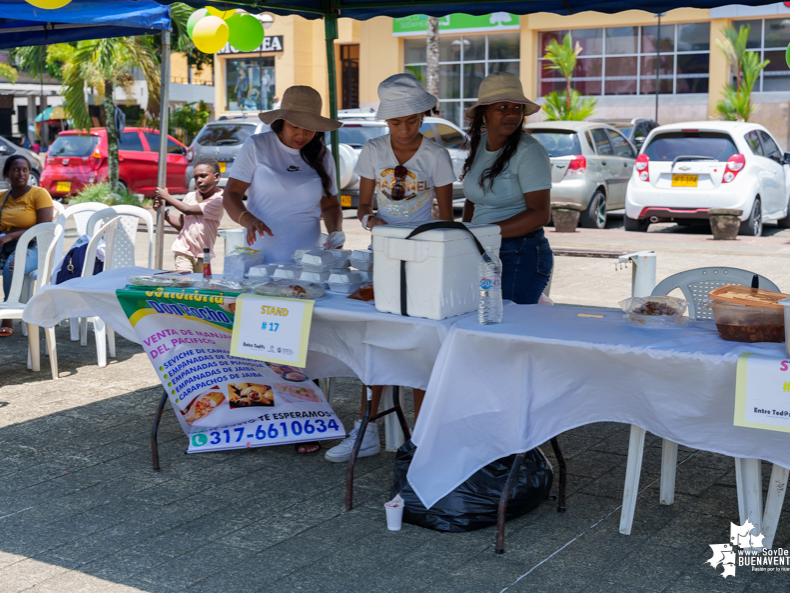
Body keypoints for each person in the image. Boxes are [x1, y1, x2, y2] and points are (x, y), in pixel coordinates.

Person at [325, 73, 456, 464]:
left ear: (423, 116)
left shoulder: (436, 156)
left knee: (421, 344)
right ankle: (367, 426)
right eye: (396, 122)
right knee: (379, 338)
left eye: (412, 121)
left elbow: (447, 219)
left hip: (426, 257)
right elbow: (362, 208)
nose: (404, 129)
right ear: (385, 122)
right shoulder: (373, 151)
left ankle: (422, 437)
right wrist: (372, 223)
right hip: (382, 253)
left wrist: (433, 249)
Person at [223, 85, 343, 455]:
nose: (302, 133)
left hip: (306, 263)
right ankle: (255, 421)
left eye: (310, 127)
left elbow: (331, 203)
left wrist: (336, 232)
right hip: (261, 261)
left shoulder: (321, 154)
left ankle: (306, 420)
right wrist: (246, 217)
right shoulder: (257, 148)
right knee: (258, 341)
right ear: (281, 120)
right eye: (296, 125)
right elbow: (230, 194)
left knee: (304, 344)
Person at [461, 72, 553, 304]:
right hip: (484, 250)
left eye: (517, 108)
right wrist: (466, 233)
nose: (512, 114)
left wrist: (482, 233)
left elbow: (539, 214)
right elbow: (473, 198)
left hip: (520, 253)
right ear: (484, 113)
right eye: (502, 107)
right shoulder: (480, 144)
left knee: (506, 330)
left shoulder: (529, 151)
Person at [0, 155, 55, 336]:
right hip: (4, 246)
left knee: (12, 265)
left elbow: (43, 228)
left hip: (34, 247)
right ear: (7, 173)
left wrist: (11, 236)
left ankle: (8, 313)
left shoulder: (39, 194)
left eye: (24, 170)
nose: (21, 174)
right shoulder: (1, 198)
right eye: (16, 170)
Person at [153, 157, 223, 273]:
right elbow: (181, 225)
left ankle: (168, 277)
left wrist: (166, 196)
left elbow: (188, 210)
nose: (198, 180)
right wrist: (163, 212)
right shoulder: (190, 196)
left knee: (201, 284)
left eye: (203, 176)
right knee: (185, 278)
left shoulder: (218, 201)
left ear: (216, 177)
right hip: (183, 249)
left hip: (204, 254)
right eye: (195, 177)